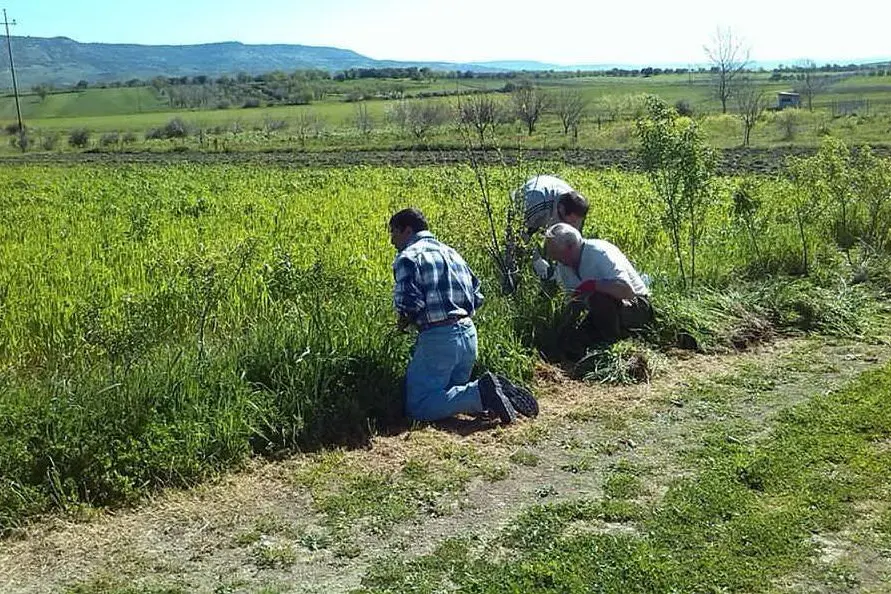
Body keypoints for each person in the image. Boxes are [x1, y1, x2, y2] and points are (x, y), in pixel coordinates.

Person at [389, 208, 539, 424]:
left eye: (393, 232)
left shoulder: (408, 257)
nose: (392, 240)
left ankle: (481, 393)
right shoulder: (451, 252)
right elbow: (477, 295)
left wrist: (401, 325)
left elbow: (409, 304)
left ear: (407, 230)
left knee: (418, 406)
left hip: (438, 338)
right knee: (447, 395)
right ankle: (491, 396)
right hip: (468, 334)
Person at [543, 223, 652, 345]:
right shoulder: (564, 266)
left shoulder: (600, 254)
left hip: (636, 306)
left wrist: (592, 285)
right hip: (600, 312)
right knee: (573, 341)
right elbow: (574, 301)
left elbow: (627, 291)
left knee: (599, 299)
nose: (555, 259)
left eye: (558, 254)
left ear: (571, 247)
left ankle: (614, 345)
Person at [512, 175, 590, 281]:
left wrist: (564, 266)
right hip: (533, 201)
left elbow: (574, 241)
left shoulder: (577, 209)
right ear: (561, 210)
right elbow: (517, 234)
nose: (573, 226)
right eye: (570, 222)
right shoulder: (533, 203)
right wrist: (536, 260)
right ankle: (510, 278)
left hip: (552, 194)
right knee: (514, 250)